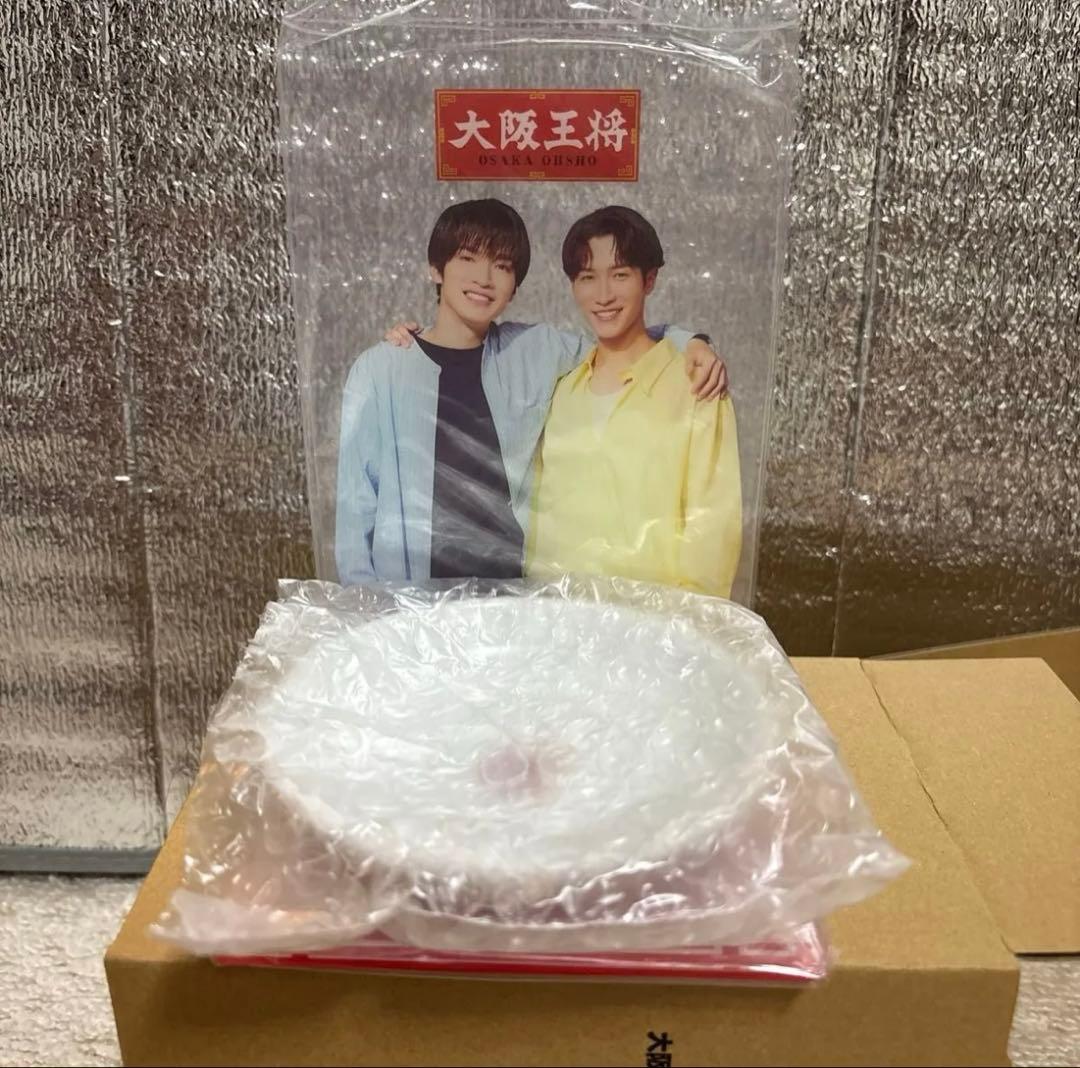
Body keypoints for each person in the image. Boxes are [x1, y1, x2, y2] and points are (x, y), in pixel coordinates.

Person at [337, 198, 727, 584]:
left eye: (502, 266)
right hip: (413, 600)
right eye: (468, 258)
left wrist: (691, 341)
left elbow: (622, 341)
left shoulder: (535, 350)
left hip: (517, 600)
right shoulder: (380, 370)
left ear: (515, 287)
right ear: (435, 269)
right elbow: (356, 504)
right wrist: (368, 608)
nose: (484, 278)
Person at [526, 205, 742, 597]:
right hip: (560, 614)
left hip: (655, 621)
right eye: (588, 277)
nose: (603, 295)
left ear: (650, 279)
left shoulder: (696, 386)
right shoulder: (563, 390)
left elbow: (712, 533)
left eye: (620, 275)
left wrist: (687, 624)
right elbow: (542, 523)